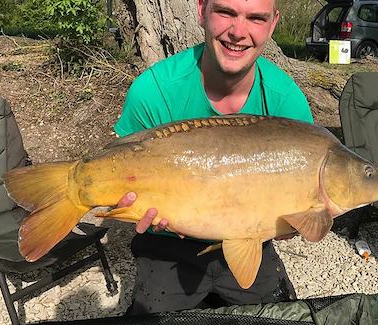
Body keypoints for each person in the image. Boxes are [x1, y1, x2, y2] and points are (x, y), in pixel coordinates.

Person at [114, 0, 314, 315]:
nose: (238, 32)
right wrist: (130, 205)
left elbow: (298, 221)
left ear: (273, 24)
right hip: (169, 244)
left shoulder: (287, 103)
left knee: (281, 314)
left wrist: (299, 222)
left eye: (256, 18)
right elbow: (124, 169)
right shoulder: (153, 92)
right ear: (201, 11)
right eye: (226, 12)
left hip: (251, 239)